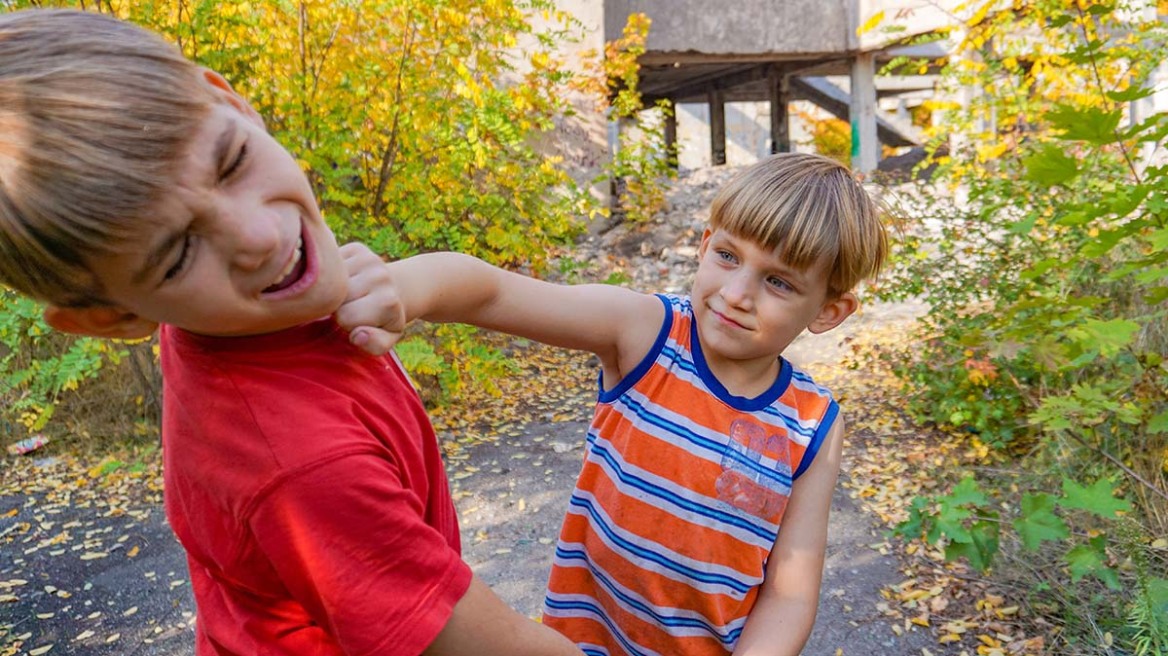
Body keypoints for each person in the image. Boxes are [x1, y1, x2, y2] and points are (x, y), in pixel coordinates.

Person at [0, 9, 584, 656]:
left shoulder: (225, 320)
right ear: (110, 319)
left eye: (230, 162)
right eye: (177, 256)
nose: (259, 236)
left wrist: (406, 286)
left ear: (234, 102)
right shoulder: (302, 466)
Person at [337, 152, 889, 656]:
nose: (736, 293)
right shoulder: (647, 334)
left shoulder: (813, 424)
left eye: (779, 282)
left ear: (829, 312)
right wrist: (399, 288)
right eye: (727, 255)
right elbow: (493, 292)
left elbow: (790, 591)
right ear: (703, 245)